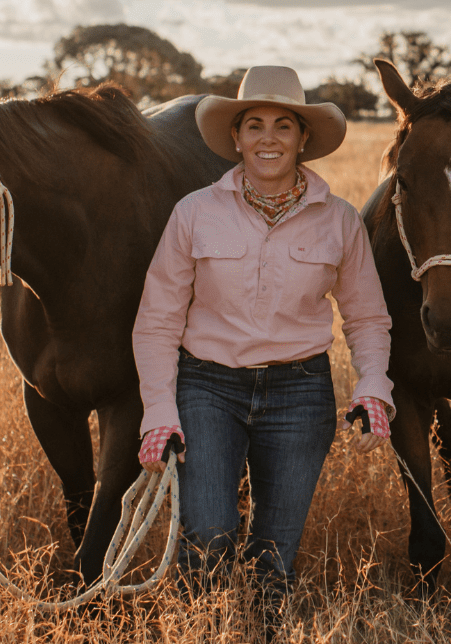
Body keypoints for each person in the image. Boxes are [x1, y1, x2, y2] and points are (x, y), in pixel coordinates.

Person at [131, 66, 395, 623]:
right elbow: (157, 320)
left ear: (303, 139)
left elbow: (368, 318)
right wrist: (158, 409)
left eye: (283, 126)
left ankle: (264, 630)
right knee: (206, 536)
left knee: (275, 552)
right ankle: (202, 630)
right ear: (236, 138)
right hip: (207, 386)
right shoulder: (194, 213)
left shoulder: (341, 222)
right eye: (254, 125)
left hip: (300, 394)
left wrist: (373, 386)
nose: (268, 139)